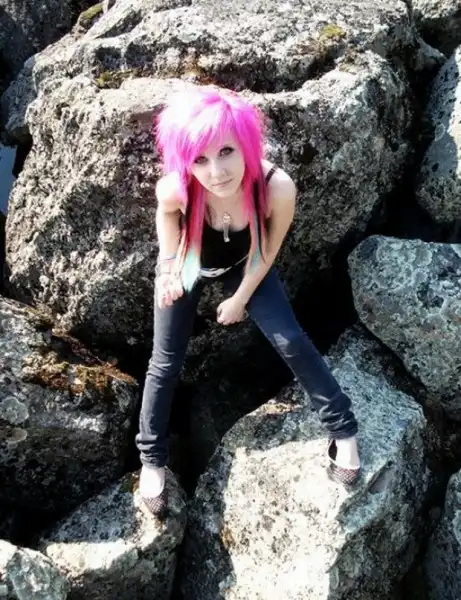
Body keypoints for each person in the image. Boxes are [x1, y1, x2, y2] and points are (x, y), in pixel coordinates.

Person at [136, 85, 361, 517]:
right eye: (200, 159)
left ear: (246, 145)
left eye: (226, 152)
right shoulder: (177, 189)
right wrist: (167, 270)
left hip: (247, 263)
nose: (217, 171)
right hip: (190, 262)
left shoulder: (276, 187)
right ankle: (151, 459)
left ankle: (344, 429)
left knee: (290, 339)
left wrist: (240, 299)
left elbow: (267, 251)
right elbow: (166, 216)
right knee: (164, 361)